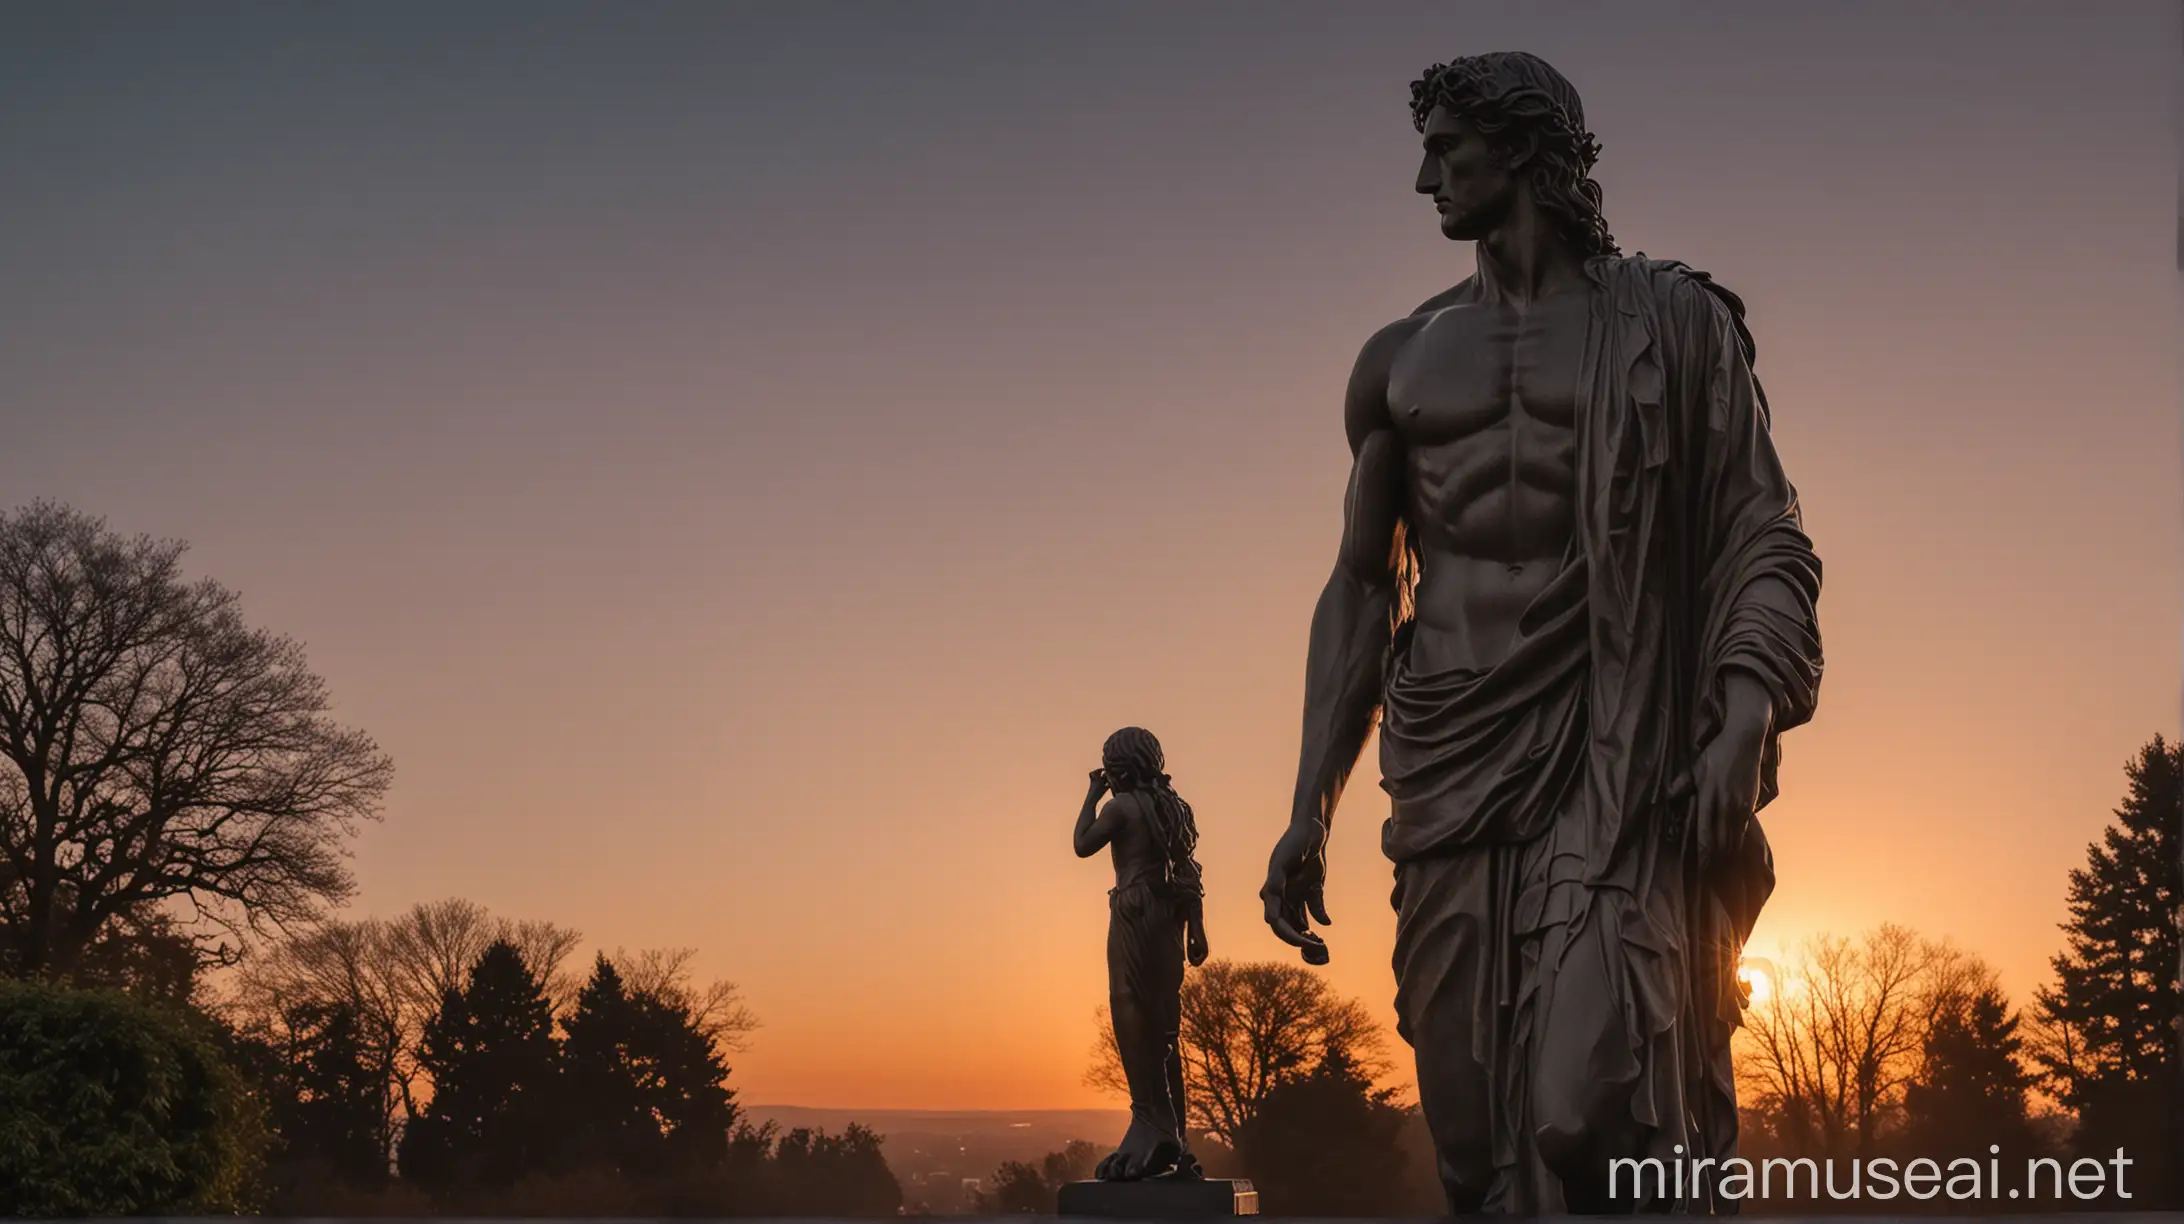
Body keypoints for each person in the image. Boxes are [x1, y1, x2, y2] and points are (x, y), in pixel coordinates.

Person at [1258, 52, 1823, 1214]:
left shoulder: (1673, 329)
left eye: (1447, 152)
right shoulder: (1400, 360)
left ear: (1520, 153)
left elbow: (1763, 533)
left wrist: (1745, 711)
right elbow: (1363, 590)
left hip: (1616, 761)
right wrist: (1309, 803)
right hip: (1447, 761)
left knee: (1584, 1110)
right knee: (1470, 1145)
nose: (1425, 180)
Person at [1075, 726, 1209, 1181]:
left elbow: (1081, 844)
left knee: (1129, 1006)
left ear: (1118, 767)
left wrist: (1092, 795)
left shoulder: (1121, 808)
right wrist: (1196, 927)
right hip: (1167, 916)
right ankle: (1171, 1131)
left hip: (1134, 910)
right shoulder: (1175, 808)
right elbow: (1188, 869)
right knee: (1164, 1024)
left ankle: (1149, 1121)